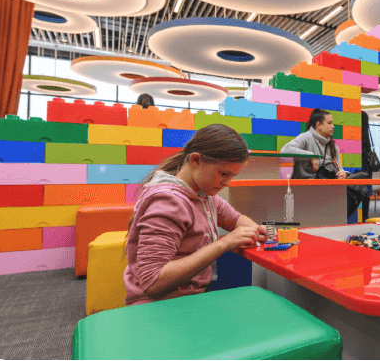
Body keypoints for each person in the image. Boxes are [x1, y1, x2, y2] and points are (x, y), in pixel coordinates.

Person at [123, 124, 267, 305]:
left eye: (233, 176)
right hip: (159, 304)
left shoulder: (203, 194)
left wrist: (256, 230)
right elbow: (152, 283)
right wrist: (223, 244)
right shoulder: (168, 202)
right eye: (223, 174)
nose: (228, 183)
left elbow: (235, 219)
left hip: (189, 297)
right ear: (196, 160)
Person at [280, 109, 349, 180]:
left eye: (332, 123)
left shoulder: (333, 145)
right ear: (318, 125)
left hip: (326, 185)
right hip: (303, 186)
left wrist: (343, 173)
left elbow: (339, 168)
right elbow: (285, 150)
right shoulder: (306, 137)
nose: (333, 126)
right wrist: (311, 155)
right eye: (329, 123)